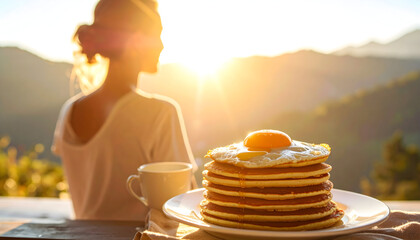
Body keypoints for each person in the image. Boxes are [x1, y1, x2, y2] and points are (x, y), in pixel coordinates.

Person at [52, 0, 197, 221]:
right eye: (157, 35)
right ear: (137, 40)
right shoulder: (160, 112)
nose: (162, 45)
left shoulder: (69, 110)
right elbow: (182, 202)